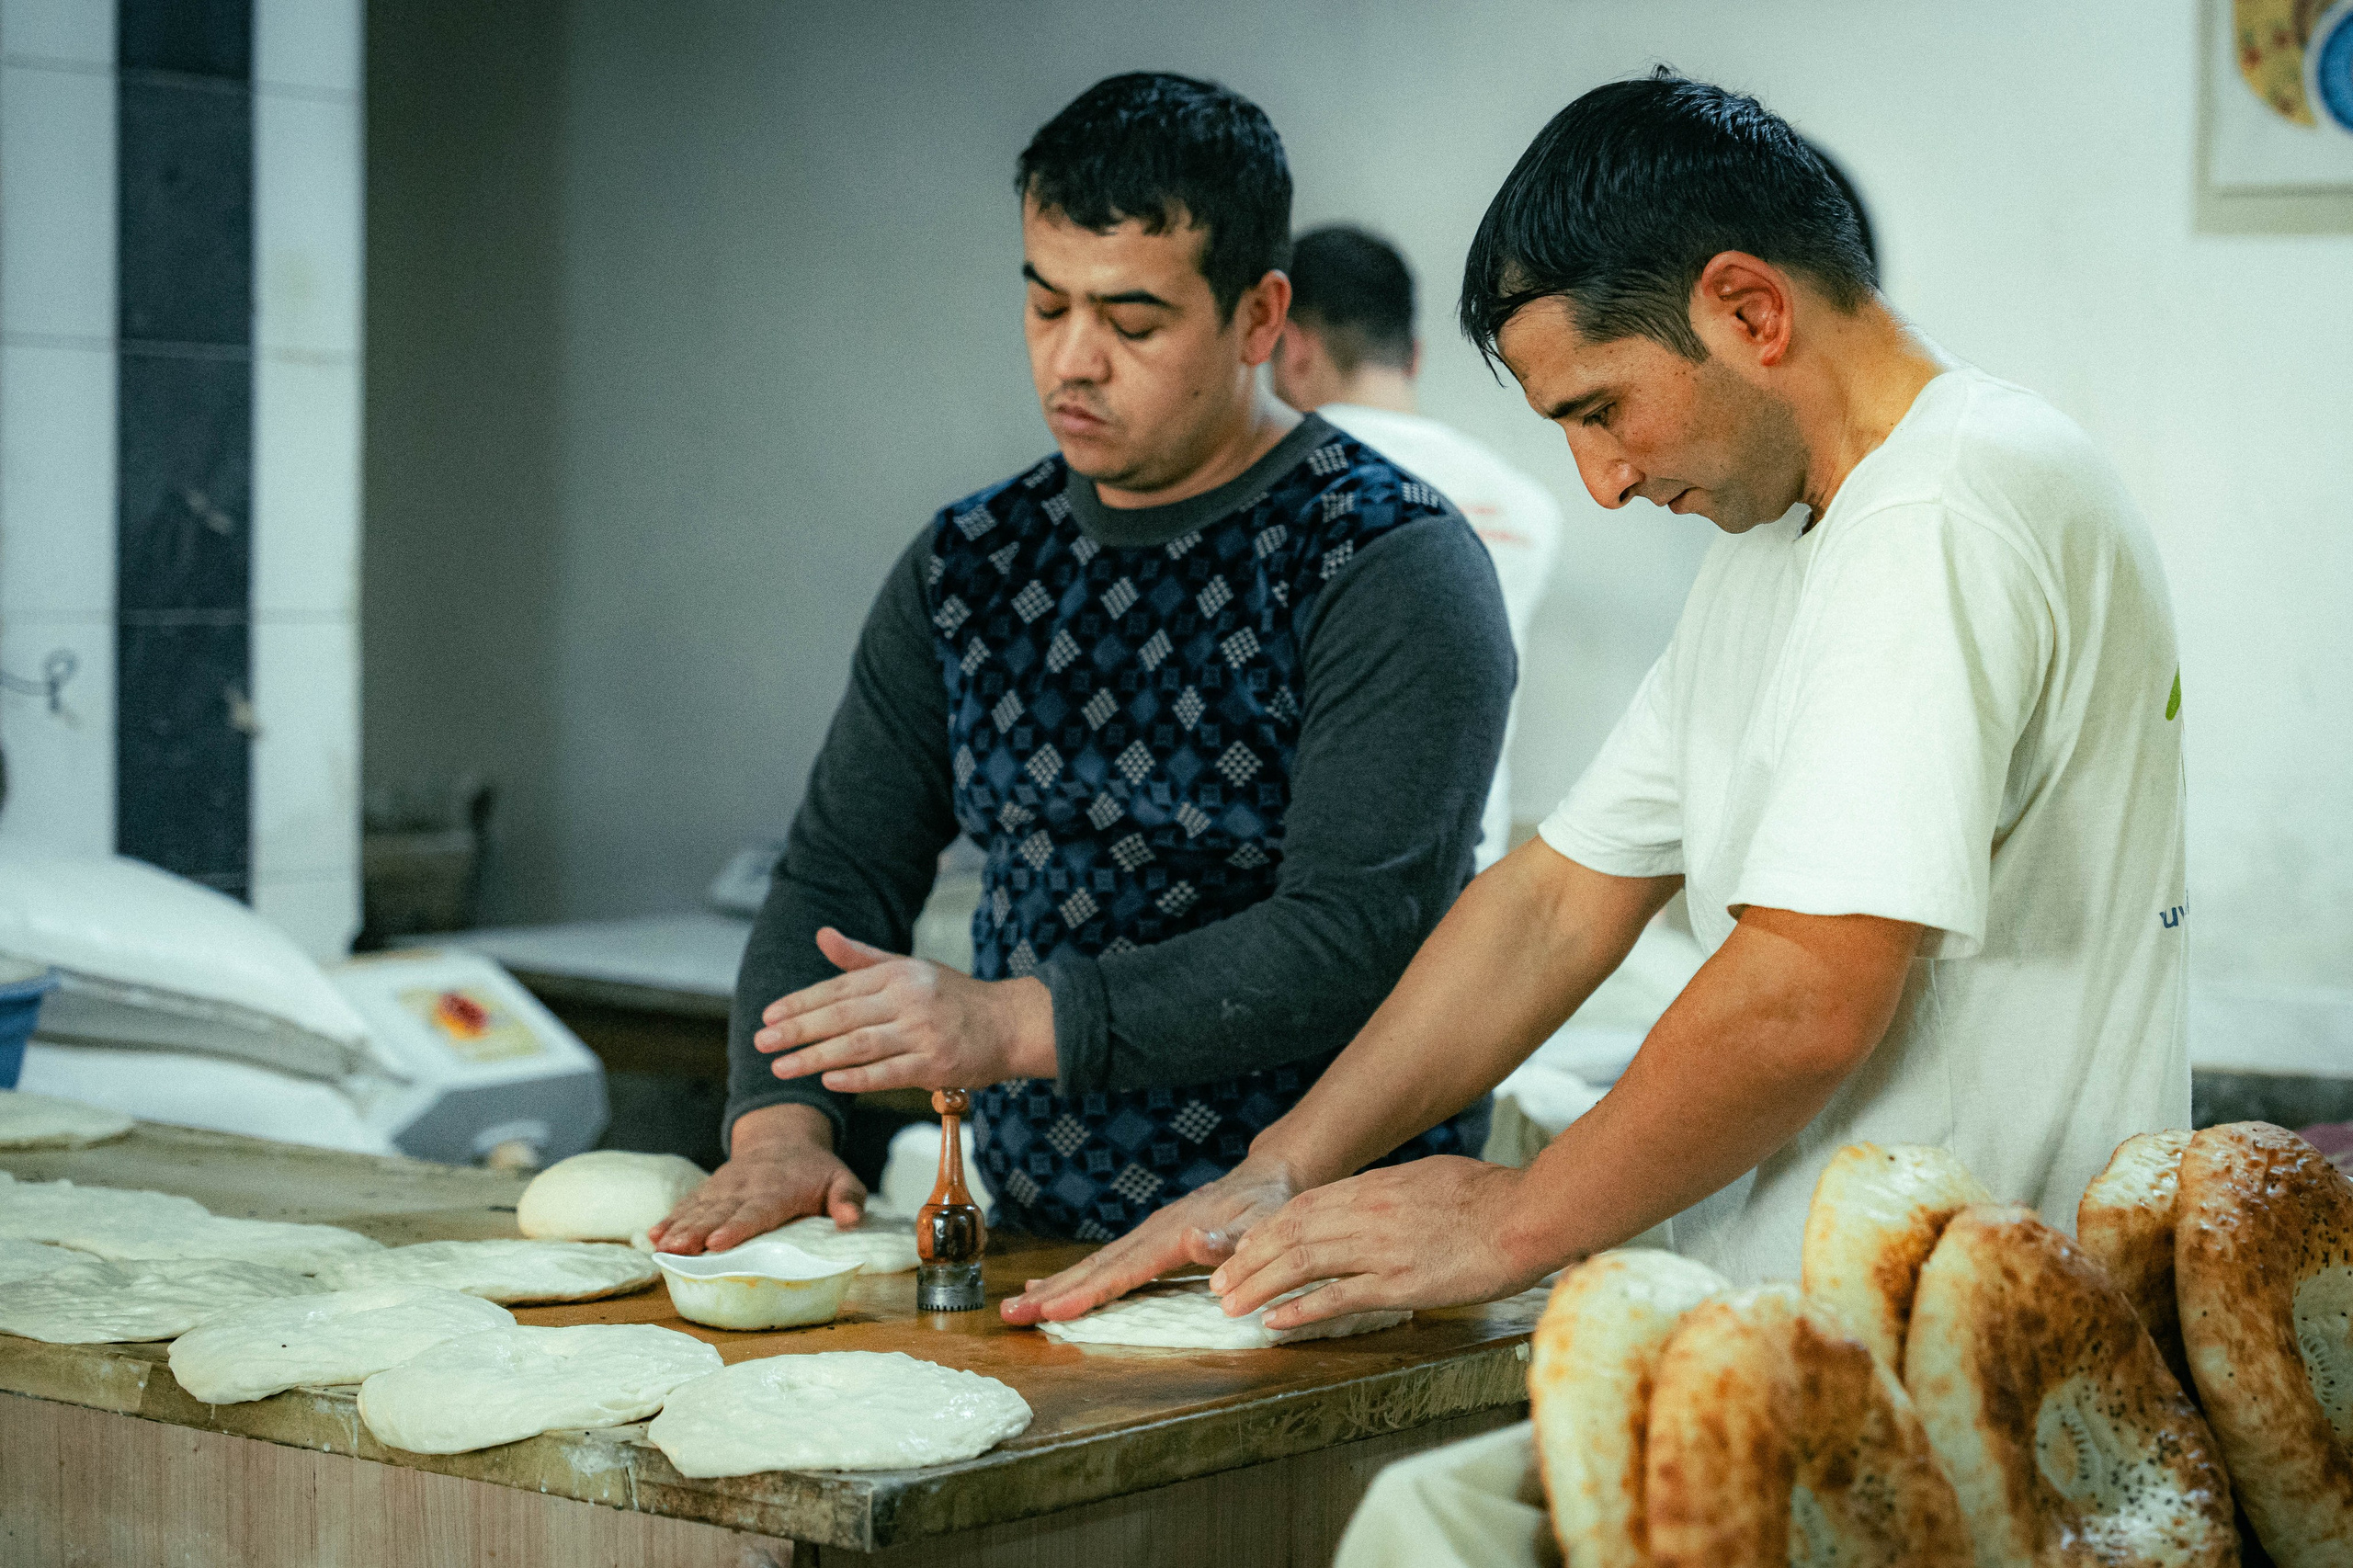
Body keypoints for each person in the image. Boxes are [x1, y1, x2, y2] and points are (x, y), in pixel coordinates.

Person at [1006, 71, 2186, 1331]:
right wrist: (1282, 1165)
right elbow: (1558, 902)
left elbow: (1807, 995)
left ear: (1747, 308)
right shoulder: (1781, 542)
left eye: (1601, 409)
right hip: (1825, 1350)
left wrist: (1512, 1218)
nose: (1604, 480)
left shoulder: (1947, 506)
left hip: (1988, 1364)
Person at [650, 73, 1513, 1254]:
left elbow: (1353, 934)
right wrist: (782, 1129)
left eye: (1132, 321)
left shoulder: (1385, 561)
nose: (1074, 361)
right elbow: (838, 874)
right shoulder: (973, 562)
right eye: (1046, 306)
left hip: (1327, 1254)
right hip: (1045, 1241)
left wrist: (1009, 1023)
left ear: (1261, 319)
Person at [1270, 225, 1563, 870]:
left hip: (1299, 893)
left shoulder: (1263, 493)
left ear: (1292, 348)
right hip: (1465, 891)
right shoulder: (1526, 509)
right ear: (1415, 355)